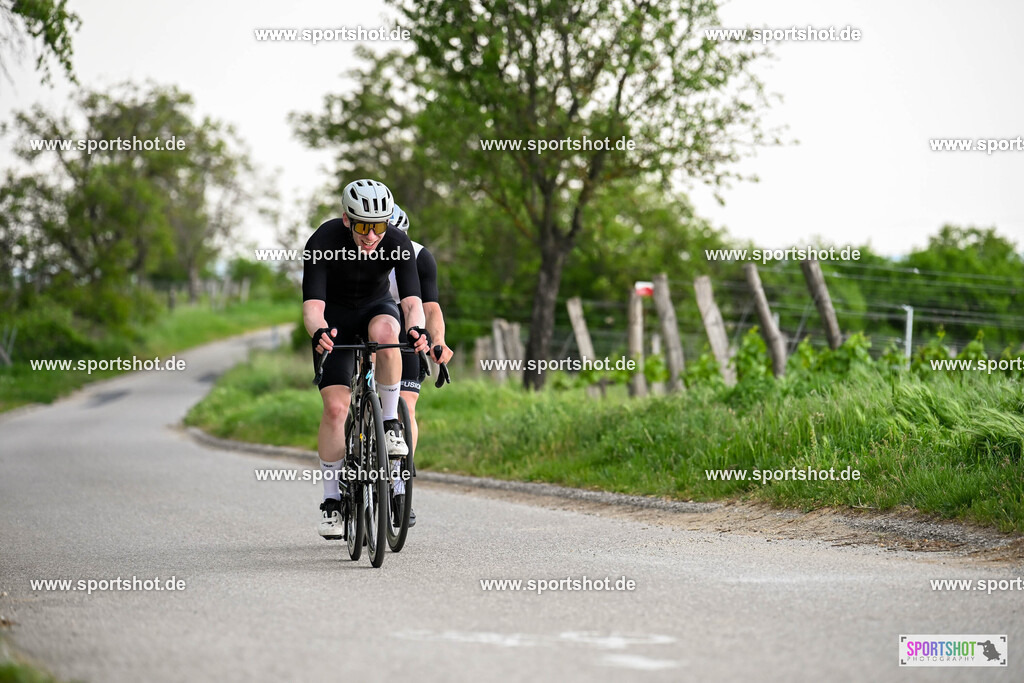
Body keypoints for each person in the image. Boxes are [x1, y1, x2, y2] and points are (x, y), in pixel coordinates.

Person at [302, 179, 430, 539]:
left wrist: (417, 329)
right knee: (335, 409)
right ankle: (331, 502)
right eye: (362, 227)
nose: (371, 236)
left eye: (378, 227)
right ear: (347, 220)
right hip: (335, 319)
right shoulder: (323, 241)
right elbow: (312, 307)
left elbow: (411, 302)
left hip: (377, 308)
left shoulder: (397, 242)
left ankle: (388, 424)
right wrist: (319, 331)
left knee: (389, 334)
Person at [385, 205, 455, 526]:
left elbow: (432, 309)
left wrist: (438, 341)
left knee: (407, 406)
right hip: (366, 324)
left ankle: (399, 480)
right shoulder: (358, 254)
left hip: (406, 327)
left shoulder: (418, 256)